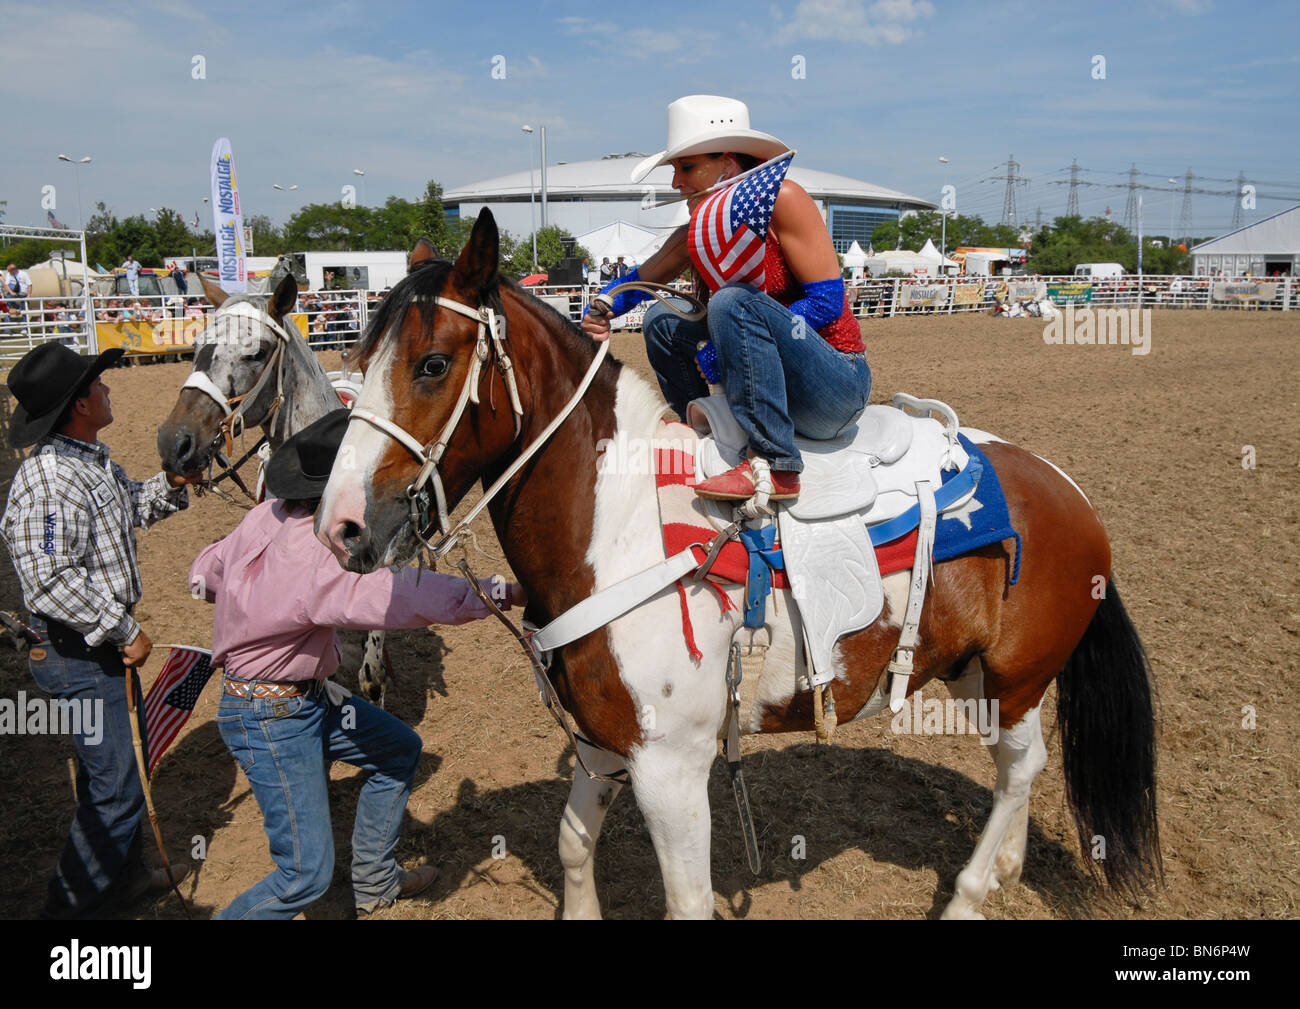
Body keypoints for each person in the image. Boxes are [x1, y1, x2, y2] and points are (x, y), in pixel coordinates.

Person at [190, 410, 524, 918]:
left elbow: (204, 573)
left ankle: (374, 881)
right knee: (303, 876)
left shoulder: (266, 516)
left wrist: (251, 605)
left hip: (287, 700)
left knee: (397, 750)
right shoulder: (323, 555)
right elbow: (400, 595)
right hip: (275, 717)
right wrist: (501, 591)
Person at [582, 94, 869, 502]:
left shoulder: (786, 200)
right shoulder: (697, 232)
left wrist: (735, 338)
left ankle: (778, 466)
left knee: (731, 302)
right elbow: (639, 281)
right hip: (775, 382)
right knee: (663, 323)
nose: (675, 183)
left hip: (836, 386)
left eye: (686, 167)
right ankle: (706, 436)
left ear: (728, 165)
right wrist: (603, 306)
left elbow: (825, 303)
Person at [1, 342, 195, 919]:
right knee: (115, 788)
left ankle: (125, 878)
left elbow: (129, 507)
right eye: (101, 384)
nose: (111, 388)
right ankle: (65, 914)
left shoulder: (89, 460)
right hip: (77, 655)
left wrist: (174, 484)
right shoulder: (51, 480)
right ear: (81, 404)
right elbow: (48, 581)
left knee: (109, 775)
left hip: (91, 652)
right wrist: (121, 626)